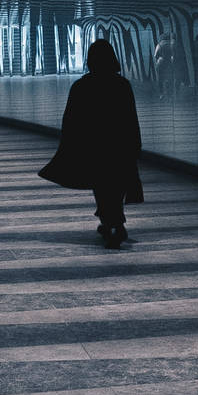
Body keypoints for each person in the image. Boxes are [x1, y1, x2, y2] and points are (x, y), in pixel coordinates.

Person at [46, 38, 142, 248]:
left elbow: (71, 119)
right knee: (116, 186)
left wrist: (71, 144)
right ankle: (114, 221)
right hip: (118, 147)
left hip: (95, 148)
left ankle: (111, 222)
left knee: (102, 186)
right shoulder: (122, 85)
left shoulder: (82, 86)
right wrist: (135, 145)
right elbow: (130, 118)